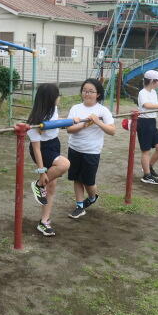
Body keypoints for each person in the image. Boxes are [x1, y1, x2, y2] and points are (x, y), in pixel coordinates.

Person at [66, 78, 116, 219]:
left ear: (98, 94)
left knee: (88, 182)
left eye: (91, 91)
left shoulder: (102, 110)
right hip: (74, 148)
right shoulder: (75, 108)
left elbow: (112, 131)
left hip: (91, 151)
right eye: (84, 91)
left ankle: (93, 197)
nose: (87, 94)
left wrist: (97, 122)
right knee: (77, 179)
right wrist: (84, 125)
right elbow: (69, 129)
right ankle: (80, 206)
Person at [27, 83, 72, 236]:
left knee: (51, 186)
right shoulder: (35, 121)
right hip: (41, 149)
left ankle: (44, 222)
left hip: (54, 145)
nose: (59, 98)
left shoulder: (54, 109)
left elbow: (55, 121)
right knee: (64, 164)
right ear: (50, 98)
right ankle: (38, 184)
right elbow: (36, 149)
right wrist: (41, 173)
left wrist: (68, 121)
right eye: (58, 95)